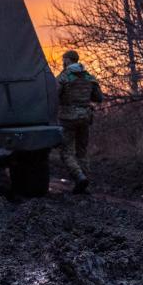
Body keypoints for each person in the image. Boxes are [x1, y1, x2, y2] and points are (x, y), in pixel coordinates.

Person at [56, 50, 102, 194]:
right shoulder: (89, 77)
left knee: (66, 152)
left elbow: (54, 95)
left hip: (68, 119)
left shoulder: (63, 77)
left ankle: (79, 177)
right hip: (86, 118)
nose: (63, 62)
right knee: (82, 151)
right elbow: (98, 98)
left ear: (68, 60)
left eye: (64, 59)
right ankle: (85, 182)